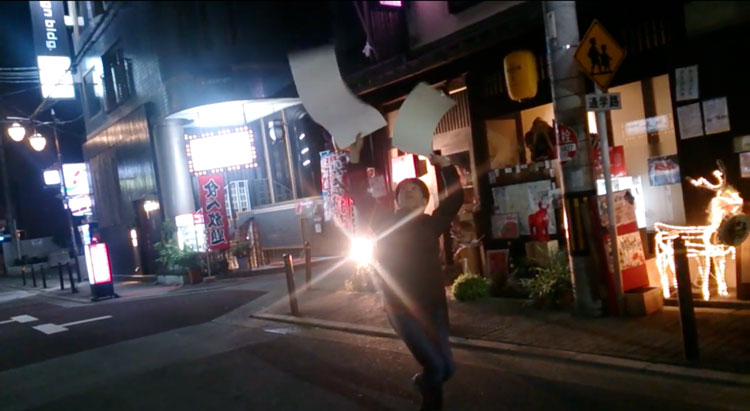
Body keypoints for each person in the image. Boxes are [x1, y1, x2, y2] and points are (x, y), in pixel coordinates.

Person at [346, 136, 464, 410]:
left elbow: (455, 198)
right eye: (403, 190)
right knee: (436, 365)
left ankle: (424, 383)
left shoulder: (431, 223)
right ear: (397, 199)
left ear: (425, 200)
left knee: (447, 368)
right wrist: (355, 159)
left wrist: (446, 165)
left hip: (433, 305)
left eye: (415, 189)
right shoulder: (384, 221)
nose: (408, 191)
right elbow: (361, 196)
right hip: (400, 307)